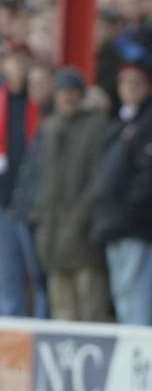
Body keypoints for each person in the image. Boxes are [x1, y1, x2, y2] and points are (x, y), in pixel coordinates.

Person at [90, 51, 152, 326]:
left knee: (137, 294)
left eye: (136, 82)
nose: (129, 88)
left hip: (139, 226)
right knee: (122, 295)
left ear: (148, 86)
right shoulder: (118, 124)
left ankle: (137, 355)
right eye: (124, 82)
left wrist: (129, 210)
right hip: (114, 224)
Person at [31, 68, 110, 322]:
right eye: (62, 93)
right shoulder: (49, 128)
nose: (67, 98)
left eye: (72, 92)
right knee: (61, 310)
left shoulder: (97, 126)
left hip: (84, 232)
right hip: (52, 233)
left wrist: (80, 219)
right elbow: (38, 178)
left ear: (81, 95)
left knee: (90, 306)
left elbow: (99, 180)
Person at [0, 44, 44, 318]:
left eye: (23, 62)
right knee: (7, 280)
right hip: (3, 203)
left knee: (40, 278)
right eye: (12, 62)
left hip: (33, 206)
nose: (18, 68)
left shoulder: (39, 103)